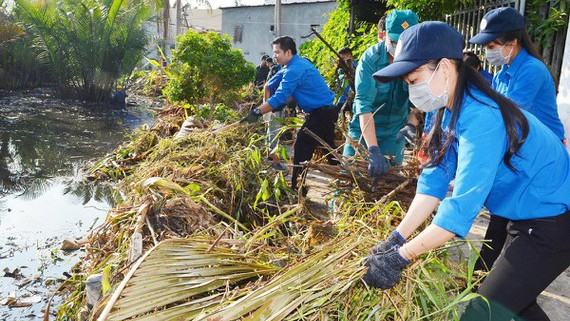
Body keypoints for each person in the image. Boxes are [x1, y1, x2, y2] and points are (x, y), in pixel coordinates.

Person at [362, 21, 570, 321]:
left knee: (482, 312)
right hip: (525, 214)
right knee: (515, 303)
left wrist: (400, 258)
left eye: (413, 80)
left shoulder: (482, 117)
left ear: (444, 68)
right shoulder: (447, 110)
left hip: (552, 220)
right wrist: (397, 237)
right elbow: (433, 180)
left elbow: (460, 209)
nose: (412, 91)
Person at [469, 7, 567, 272]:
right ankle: (483, 277)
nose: (487, 51)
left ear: (512, 43)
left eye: (491, 45)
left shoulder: (531, 71)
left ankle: (491, 281)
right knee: (500, 218)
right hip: (522, 155)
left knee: (510, 221)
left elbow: (506, 117)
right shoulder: (503, 73)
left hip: (543, 163)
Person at [243, 36, 338, 192]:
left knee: (302, 145)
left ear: (288, 52)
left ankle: (297, 188)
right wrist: (268, 106)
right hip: (323, 112)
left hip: (323, 113)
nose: (274, 56)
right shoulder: (289, 66)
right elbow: (270, 85)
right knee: (328, 148)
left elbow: (281, 95)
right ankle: (346, 176)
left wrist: (257, 112)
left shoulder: (295, 69)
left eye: (277, 52)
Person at [343, 10, 419, 179]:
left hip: (394, 134)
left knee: (387, 186)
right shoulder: (370, 60)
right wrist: (373, 149)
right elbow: (364, 104)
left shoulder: (419, 62)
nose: (398, 48)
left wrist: (411, 125)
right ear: (383, 35)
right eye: (394, 41)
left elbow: (419, 102)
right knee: (349, 182)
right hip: (363, 132)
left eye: (405, 43)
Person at [335, 47, 357, 115]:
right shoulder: (341, 70)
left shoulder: (356, 66)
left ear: (350, 56)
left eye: (345, 57)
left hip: (353, 97)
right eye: (341, 59)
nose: (344, 60)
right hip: (343, 100)